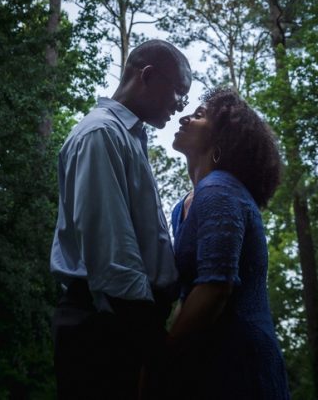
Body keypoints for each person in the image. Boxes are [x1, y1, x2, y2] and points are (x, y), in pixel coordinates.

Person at [51, 39, 192, 398]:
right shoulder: (101, 133)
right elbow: (111, 252)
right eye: (179, 93)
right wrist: (155, 346)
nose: (180, 106)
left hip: (122, 321)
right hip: (107, 327)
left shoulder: (126, 137)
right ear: (147, 76)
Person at [158, 87, 289, 399]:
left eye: (200, 115)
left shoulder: (220, 189)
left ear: (221, 142)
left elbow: (215, 288)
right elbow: (189, 294)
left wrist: (161, 364)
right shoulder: (183, 206)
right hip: (205, 363)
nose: (185, 117)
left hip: (241, 366)